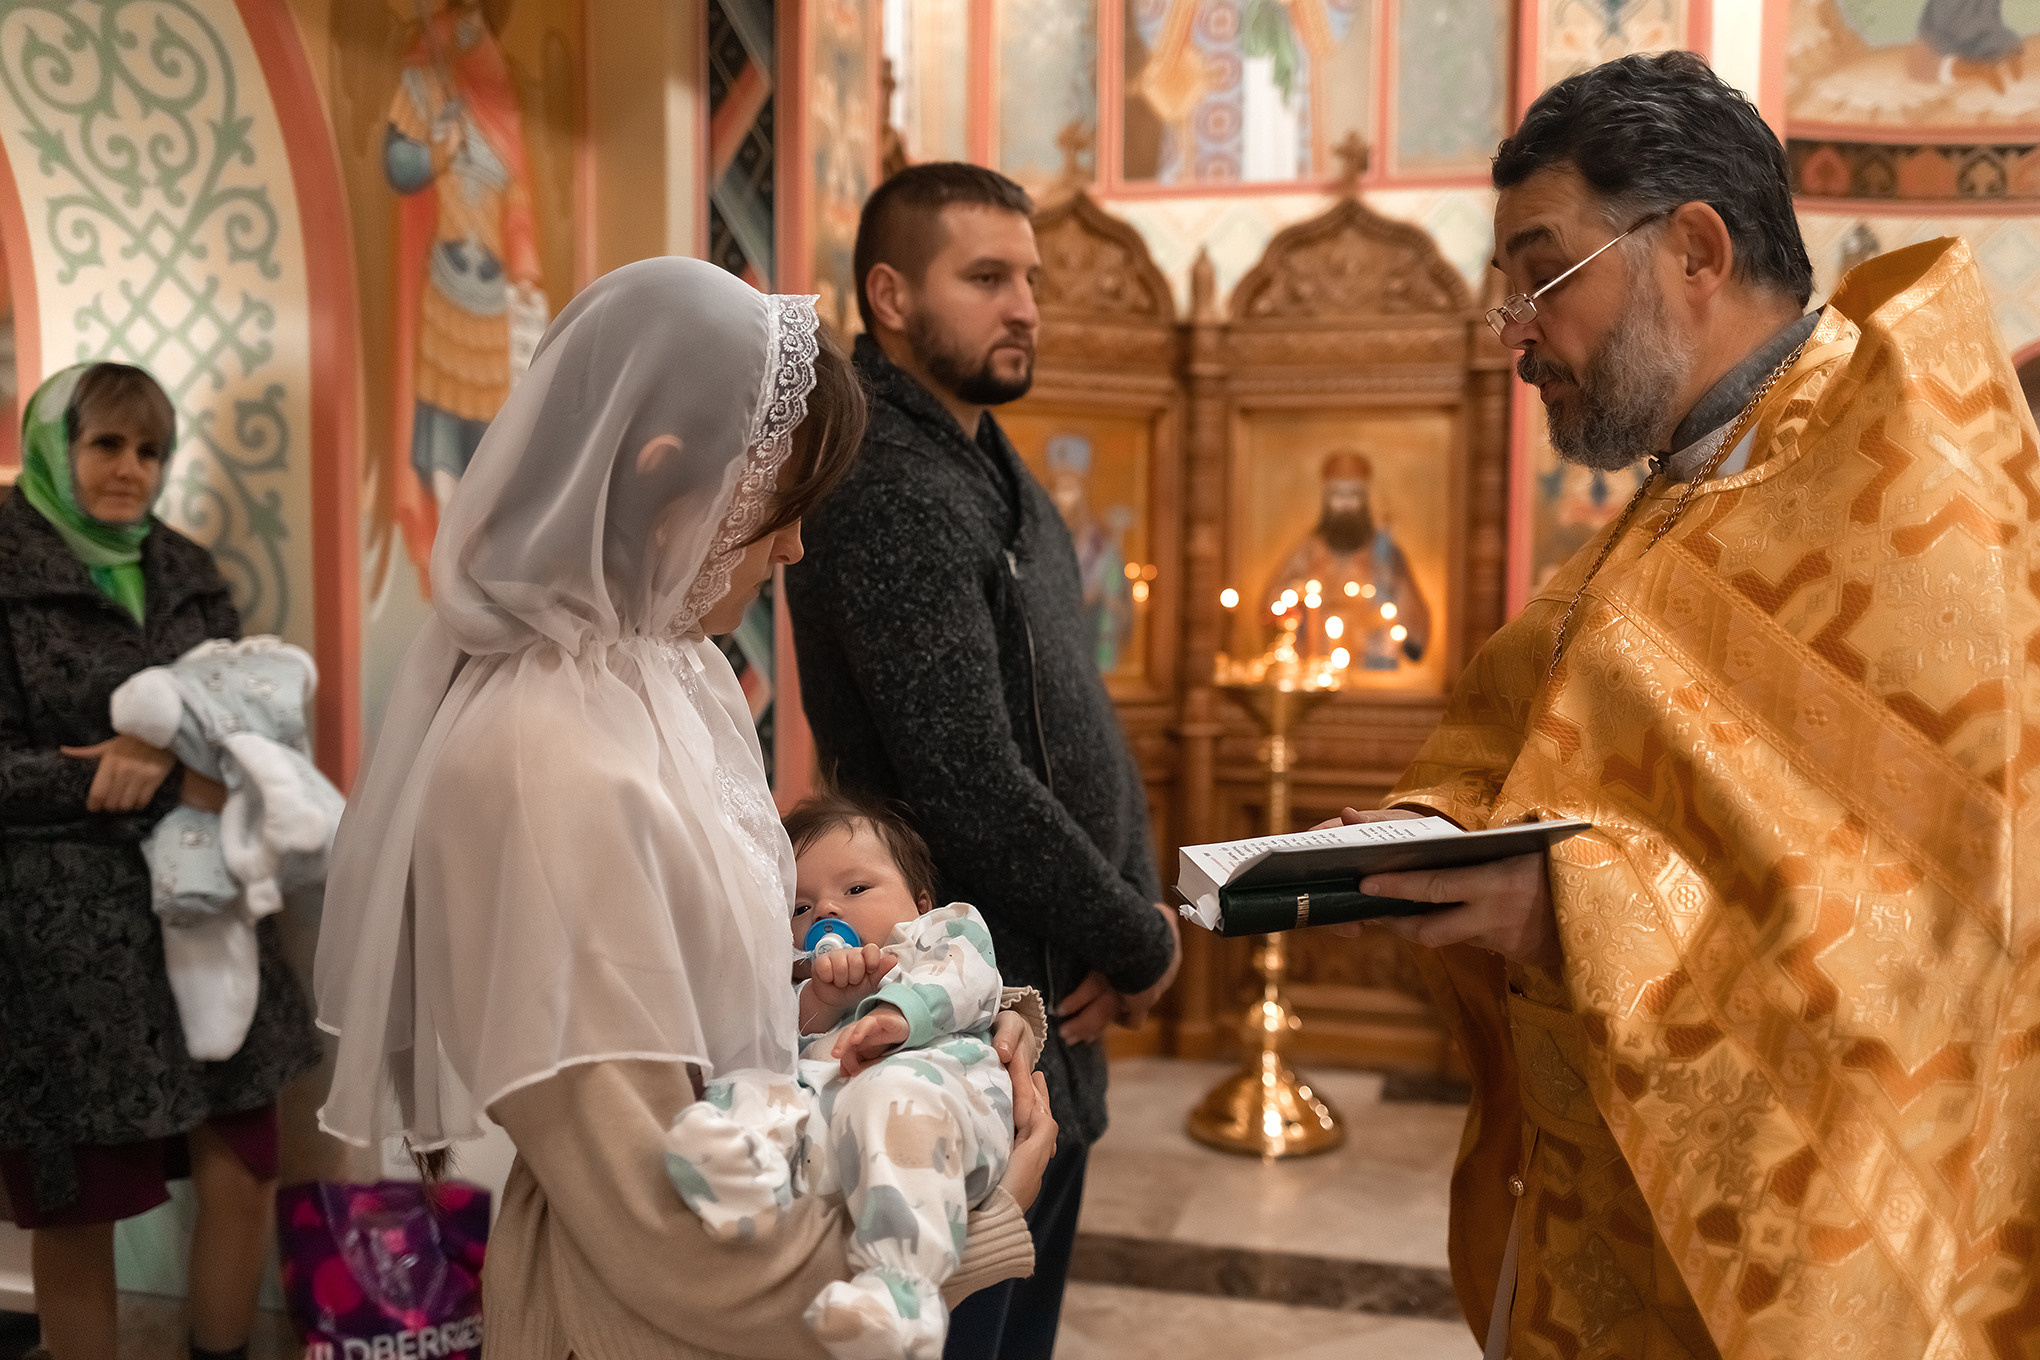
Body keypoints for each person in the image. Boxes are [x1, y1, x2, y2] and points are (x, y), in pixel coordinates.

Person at [1322, 51, 2039, 1359]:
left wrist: (1575, 910)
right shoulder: (1692, 485)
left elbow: (1946, 925)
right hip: (1610, 1194)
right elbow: (1552, 733)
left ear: (1695, 249)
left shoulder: (1916, 499)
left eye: (1540, 276)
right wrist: (1436, 824)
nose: (1515, 334)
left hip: (1802, 1251)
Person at [314, 257, 1058, 1360]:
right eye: (780, 510)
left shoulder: (660, 673)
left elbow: (713, 1023)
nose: (796, 548)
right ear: (671, 477)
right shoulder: (542, 761)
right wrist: (987, 1203)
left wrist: (899, 1026)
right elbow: (668, 1236)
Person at [783, 162, 1182, 1360]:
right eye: (989, 277)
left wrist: (1125, 927)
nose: (1027, 307)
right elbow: (969, 778)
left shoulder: (995, 467)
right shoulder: (884, 483)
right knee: (963, 1330)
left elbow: (1082, 721)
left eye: (1033, 281)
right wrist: (1139, 934)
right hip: (959, 1023)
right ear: (892, 294)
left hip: (1052, 992)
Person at [0, 362, 320, 1360]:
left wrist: (175, 754)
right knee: (82, 1201)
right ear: (57, 447)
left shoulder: (185, 565)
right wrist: (100, 772)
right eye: (107, 444)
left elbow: (244, 710)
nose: (132, 468)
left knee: (244, 1161)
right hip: (63, 931)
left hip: (211, 899)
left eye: (150, 450)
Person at [666, 793, 1030, 1360]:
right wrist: (820, 1002)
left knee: (892, 1088)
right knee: (753, 1089)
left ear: (921, 901)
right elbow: (778, 1042)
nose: (826, 913)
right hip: (835, 1142)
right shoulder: (793, 986)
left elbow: (968, 982)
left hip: (936, 1116)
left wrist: (895, 1011)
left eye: (856, 890)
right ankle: (740, 1178)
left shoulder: (939, 936)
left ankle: (900, 1295)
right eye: (799, 907)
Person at [1258, 449, 1429, 669]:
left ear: (1365, 499)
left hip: (1374, 669)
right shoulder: (1307, 552)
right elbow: (1271, 608)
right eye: (1338, 495)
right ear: (1327, 499)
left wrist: (1385, 581)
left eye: (1354, 495)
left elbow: (1415, 635)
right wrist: (1300, 592)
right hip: (1314, 668)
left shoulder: (1385, 553)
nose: (1346, 504)